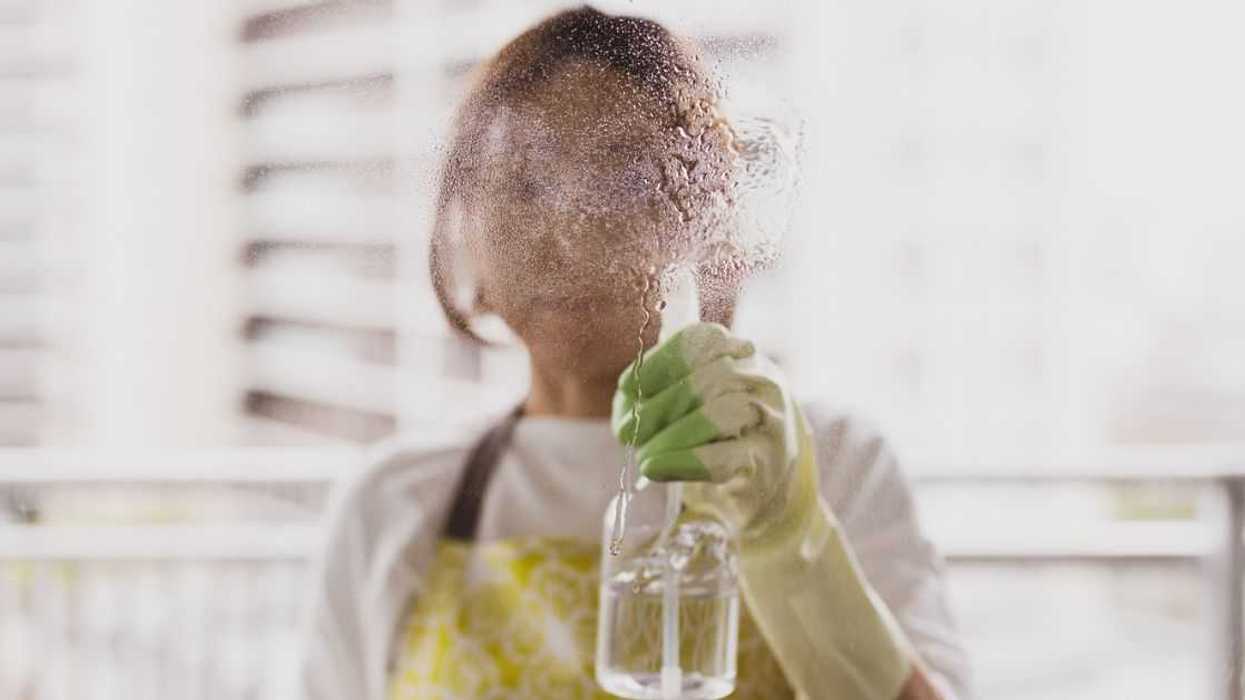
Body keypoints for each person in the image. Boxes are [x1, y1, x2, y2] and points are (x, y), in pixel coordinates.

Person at [297, 7, 971, 699]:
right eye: (524, 183)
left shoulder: (832, 462)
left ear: (705, 221)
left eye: (624, 180)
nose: (570, 232)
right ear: (466, 230)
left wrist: (785, 538)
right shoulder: (392, 502)